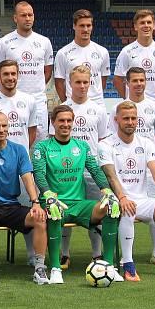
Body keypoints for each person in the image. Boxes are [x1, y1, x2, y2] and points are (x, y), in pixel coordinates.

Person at [32, 105, 122, 284]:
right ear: (53, 123)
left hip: (79, 204)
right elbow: (39, 174)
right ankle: (56, 268)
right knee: (54, 211)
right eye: (61, 121)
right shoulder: (42, 147)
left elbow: (95, 170)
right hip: (54, 202)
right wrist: (48, 194)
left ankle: (109, 266)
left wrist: (107, 190)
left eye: (69, 120)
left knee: (111, 207)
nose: (65, 124)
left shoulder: (82, 146)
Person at [98, 102, 155, 281]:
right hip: (118, 201)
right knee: (127, 210)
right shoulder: (106, 144)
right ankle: (129, 266)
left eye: (133, 118)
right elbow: (111, 175)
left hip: (143, 200)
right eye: (126, 118)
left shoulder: (146, 143)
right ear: (116, 120)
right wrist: (122, 197)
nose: (130, 122)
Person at [0, 111, 50, 287]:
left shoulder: (19, 150)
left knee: (39, 218)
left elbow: (27, 177)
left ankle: (39, 267)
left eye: (4, 125)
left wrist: (35, 202)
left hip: (12, 206)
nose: (1, 129)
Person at [0, 59, 37, 266]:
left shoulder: (29, 101)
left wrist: (19, 155)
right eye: (6, 74)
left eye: (14, 74)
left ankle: (32, 256)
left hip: (20, 164)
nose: (10, 78)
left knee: (28, 208)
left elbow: (31, 133)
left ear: (18, 75)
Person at [56, 65, 113, 267]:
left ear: (91, 83)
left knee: (96, 212)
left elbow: (104, 141)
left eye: (85, 82)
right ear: (69, 84)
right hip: (66, 171)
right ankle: (64, 253)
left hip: (91, 171)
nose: (81, 86)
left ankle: (96, 254)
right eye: (77, 82)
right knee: (64, 210)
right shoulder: (61, 108)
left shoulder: (98, 109)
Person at [120, 66, 155, 266]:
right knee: (124, 211)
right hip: (128, 169)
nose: (139, 84)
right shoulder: (120, 107)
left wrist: (151, 161)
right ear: (127, 83)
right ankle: (125, 255)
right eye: (135, 81)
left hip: (150, 168)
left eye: (142, 80)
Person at [0, 1, 53, 144]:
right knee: (11, 140)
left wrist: (35, 88)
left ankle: (36, 167)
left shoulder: (44, 42)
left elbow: (48, 71)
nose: (27, 18)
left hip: (38, 100)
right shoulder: (4, 42)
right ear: (15, 18)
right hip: (11, 100)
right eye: (23, 15)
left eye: (30, 15)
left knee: (40, 142)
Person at [113, 9, 155, 104]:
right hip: (135, 104)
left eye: (149, 22)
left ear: (154, 25)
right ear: (135, 27)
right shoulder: (126, 51)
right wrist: (128, 98)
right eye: (142, 23)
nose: (146, 25)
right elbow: (118, 80)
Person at [54, 9, 110, 104]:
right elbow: (59, 82)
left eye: (88, 25)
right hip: (73, 105)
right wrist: (68, 102)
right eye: (82, 25)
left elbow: (103, 80)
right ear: (74, 26)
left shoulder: (102, 52)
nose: (85, 29)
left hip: (97, 104)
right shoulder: (63, 53)